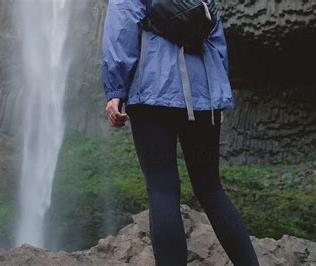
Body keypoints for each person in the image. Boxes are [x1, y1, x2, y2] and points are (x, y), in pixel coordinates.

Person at [101, 0, 259, 265]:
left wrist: (116, 89)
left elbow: (121, 27)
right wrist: (217, 92)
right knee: (211, 189)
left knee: (162, 189)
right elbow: (215, 34)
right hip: (204, 94)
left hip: (151, 92)